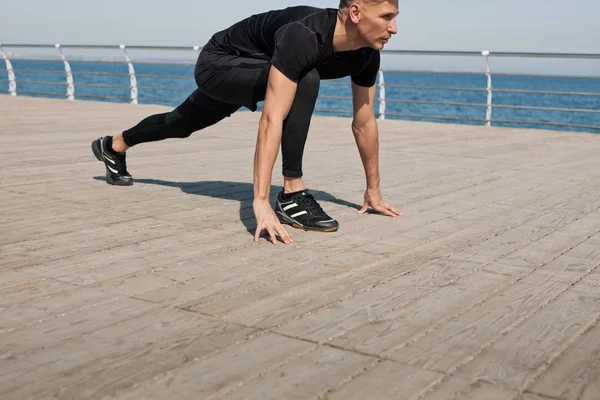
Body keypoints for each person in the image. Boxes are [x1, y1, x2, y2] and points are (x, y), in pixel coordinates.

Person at [92, 0, 403, 245]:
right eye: (387, 17)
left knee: (181, 122)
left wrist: (372, 190)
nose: (394, 28)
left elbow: (364, 121)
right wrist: (261, 201)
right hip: (220, 62)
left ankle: (113, 145)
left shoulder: (365, 54)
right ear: (355, 12)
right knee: (306, 79)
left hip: (260, 68)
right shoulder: (305, 35)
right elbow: (272, 117)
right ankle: (292, 194)